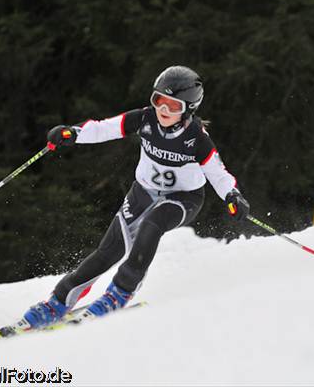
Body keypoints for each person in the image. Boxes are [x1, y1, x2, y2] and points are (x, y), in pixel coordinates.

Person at [23, 65, 250, 328]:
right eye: (159, 101)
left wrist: (232, 196)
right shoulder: (143, 119)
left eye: (173, 106)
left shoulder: (197, 139)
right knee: (108, 251)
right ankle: (57, 302)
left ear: (189, 109)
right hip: (142, 192)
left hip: (183, 199)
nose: (163, 110)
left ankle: (119, 292)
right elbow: (103, 128)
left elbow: (218, 173)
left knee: (151, 226)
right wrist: (73, 133)